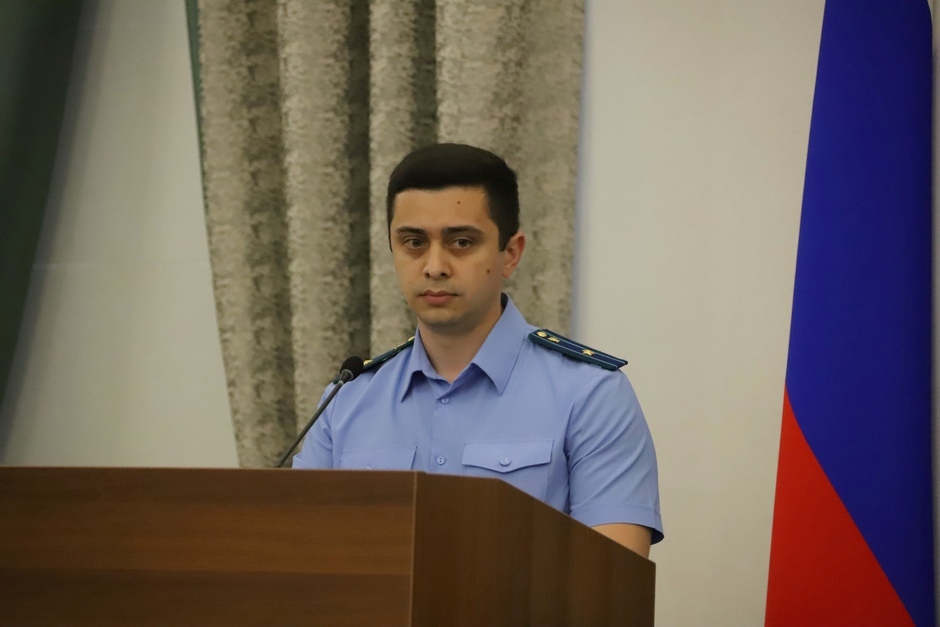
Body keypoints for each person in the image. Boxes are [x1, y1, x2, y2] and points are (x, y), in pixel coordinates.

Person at [293, 143, 662, 556]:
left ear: (511, 254)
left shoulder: (591, 395)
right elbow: (298, 557)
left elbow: (613, 578)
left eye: (462, 242)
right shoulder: (346, 401)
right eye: (413, 242)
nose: (434, 266)